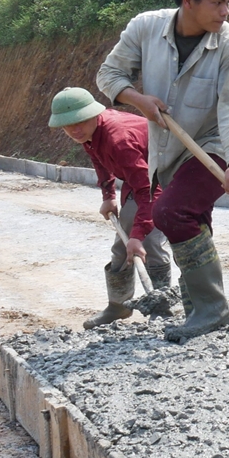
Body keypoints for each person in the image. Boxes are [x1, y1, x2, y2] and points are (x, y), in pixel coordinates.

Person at [96, 0, 229, 341]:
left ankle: (213, 308)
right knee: (194, 221)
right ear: (188, 1)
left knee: (172, 212)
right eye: (217, 2)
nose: (226, 11)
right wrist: (138, 100)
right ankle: (200, 307)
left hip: (213, 145)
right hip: (166, 148)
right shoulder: (146, 28)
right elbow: (108, 74)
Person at [48, 87, 172, 328]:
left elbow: (149, 191)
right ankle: (119, 306)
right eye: (68, 124)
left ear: (94, 114)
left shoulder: (119, 140)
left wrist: (138, 235)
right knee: (122, 246)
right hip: (140, 179)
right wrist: (108, 194)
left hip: (167, 178)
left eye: (80, 121)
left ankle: (162, 307)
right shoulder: (89, 133)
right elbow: (98, 158)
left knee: (151, 243)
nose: (75, 129)